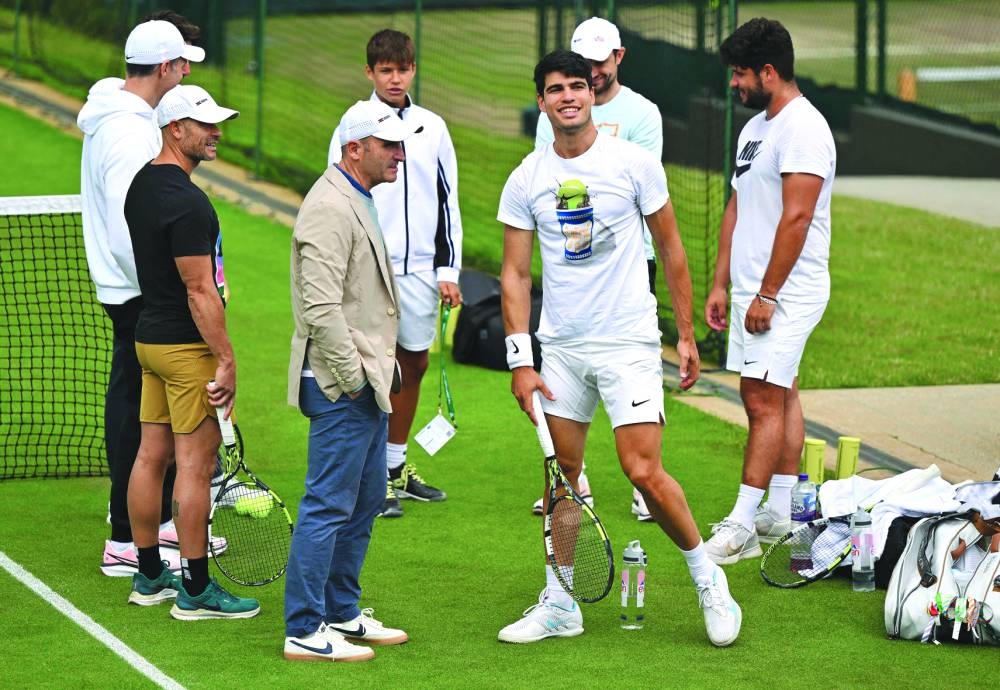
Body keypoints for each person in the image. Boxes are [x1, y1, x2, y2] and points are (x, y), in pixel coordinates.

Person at [496, 50, 741, 647]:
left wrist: (684, 335)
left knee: (642, 470)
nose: (569, 97)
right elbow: (514, 275)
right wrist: (520, 360)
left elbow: (673, 248)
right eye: (556, 89)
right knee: (563, 476)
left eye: (577, 86)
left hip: (628, 341)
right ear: (543, 102)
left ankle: (708, 578)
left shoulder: (632, 163)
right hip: (560, 349)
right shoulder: (527, 178)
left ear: (593, 92)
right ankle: (560, 601)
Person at [284, 99, 418, 662]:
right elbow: (320, 308)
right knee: (328, 504)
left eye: (402, 145)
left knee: (363, 499)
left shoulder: (355, 197)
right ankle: (303, 628)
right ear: (354, 148)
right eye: (390, 146)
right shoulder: (328, 207)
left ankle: (341, 611)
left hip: (367, 380)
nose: (401, 155)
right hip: (344, 385)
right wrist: (357, 380)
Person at [703, 18, 836, 565]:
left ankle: (742, 526)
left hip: (787, 290)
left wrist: (768, 295)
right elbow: (738, 206)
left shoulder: (804, 128)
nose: (734, 84)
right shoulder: (756, 127)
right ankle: (779, 513)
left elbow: (798, 218)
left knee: (758, 398)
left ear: (769, 71)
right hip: (753, 288)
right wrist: (719, 282)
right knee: (780, 392)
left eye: (740, 74)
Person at [123, 84, 258, 619]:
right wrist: (225, 357)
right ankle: (197, 589)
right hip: (185, 349)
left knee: (149, 456)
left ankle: (150, 574)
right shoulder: (188, 203)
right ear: (175, 129)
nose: (217, 132)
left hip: (149, 343)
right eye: (206, 125)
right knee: (194, 468)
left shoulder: (141, 186)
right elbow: (200, 290)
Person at [78, 17, 205, 577]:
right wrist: (168, 287)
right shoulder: (131, 134)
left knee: (142, 400)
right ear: (164, 69)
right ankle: (129, 535)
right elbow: (140, 221)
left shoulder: (123, 116)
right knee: (139, 406)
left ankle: (152, 528)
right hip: (140, 290)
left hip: (130, 286)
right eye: (182, 65)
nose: (185, 74)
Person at [533, 16, 664, 522]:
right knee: (567, 366)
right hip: (570, 263)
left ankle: (643, 480)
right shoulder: (555, 106)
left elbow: (639, 192)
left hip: (631, 259)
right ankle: (573, 476)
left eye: (598, 63)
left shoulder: (641, 114)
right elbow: (545, 176)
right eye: (583, 62)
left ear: (618, 58)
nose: (592, 71)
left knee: (633, 365)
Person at [327, 29, 462, 519]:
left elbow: (448, 201)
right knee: (372, 369)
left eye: (402, 68)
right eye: (385, 70)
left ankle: (395, 468)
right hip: (368, 271)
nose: (395, 77)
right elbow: (336, 196)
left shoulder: (434, 127)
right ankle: (368, 477)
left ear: (413, 70)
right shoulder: (353, 123)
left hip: (423, 271)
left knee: (414, 364)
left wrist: (448, 268)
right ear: (370, 73)